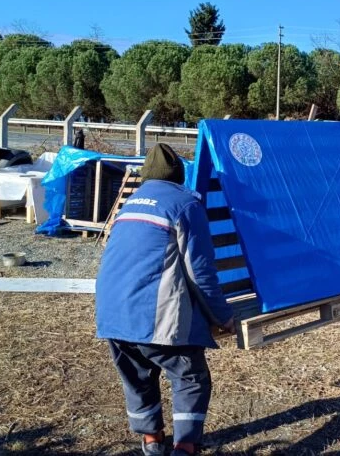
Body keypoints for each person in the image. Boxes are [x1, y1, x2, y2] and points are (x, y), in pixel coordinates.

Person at [95, 143, 235, 456]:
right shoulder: (185, 204)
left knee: (138, 379)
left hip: (111, 314)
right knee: (191, 377)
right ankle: (185, 447)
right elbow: (201, 272)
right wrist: (222, 317)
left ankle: (152, 443)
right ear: (179, 176)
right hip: (154, 316)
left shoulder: (128, 206)